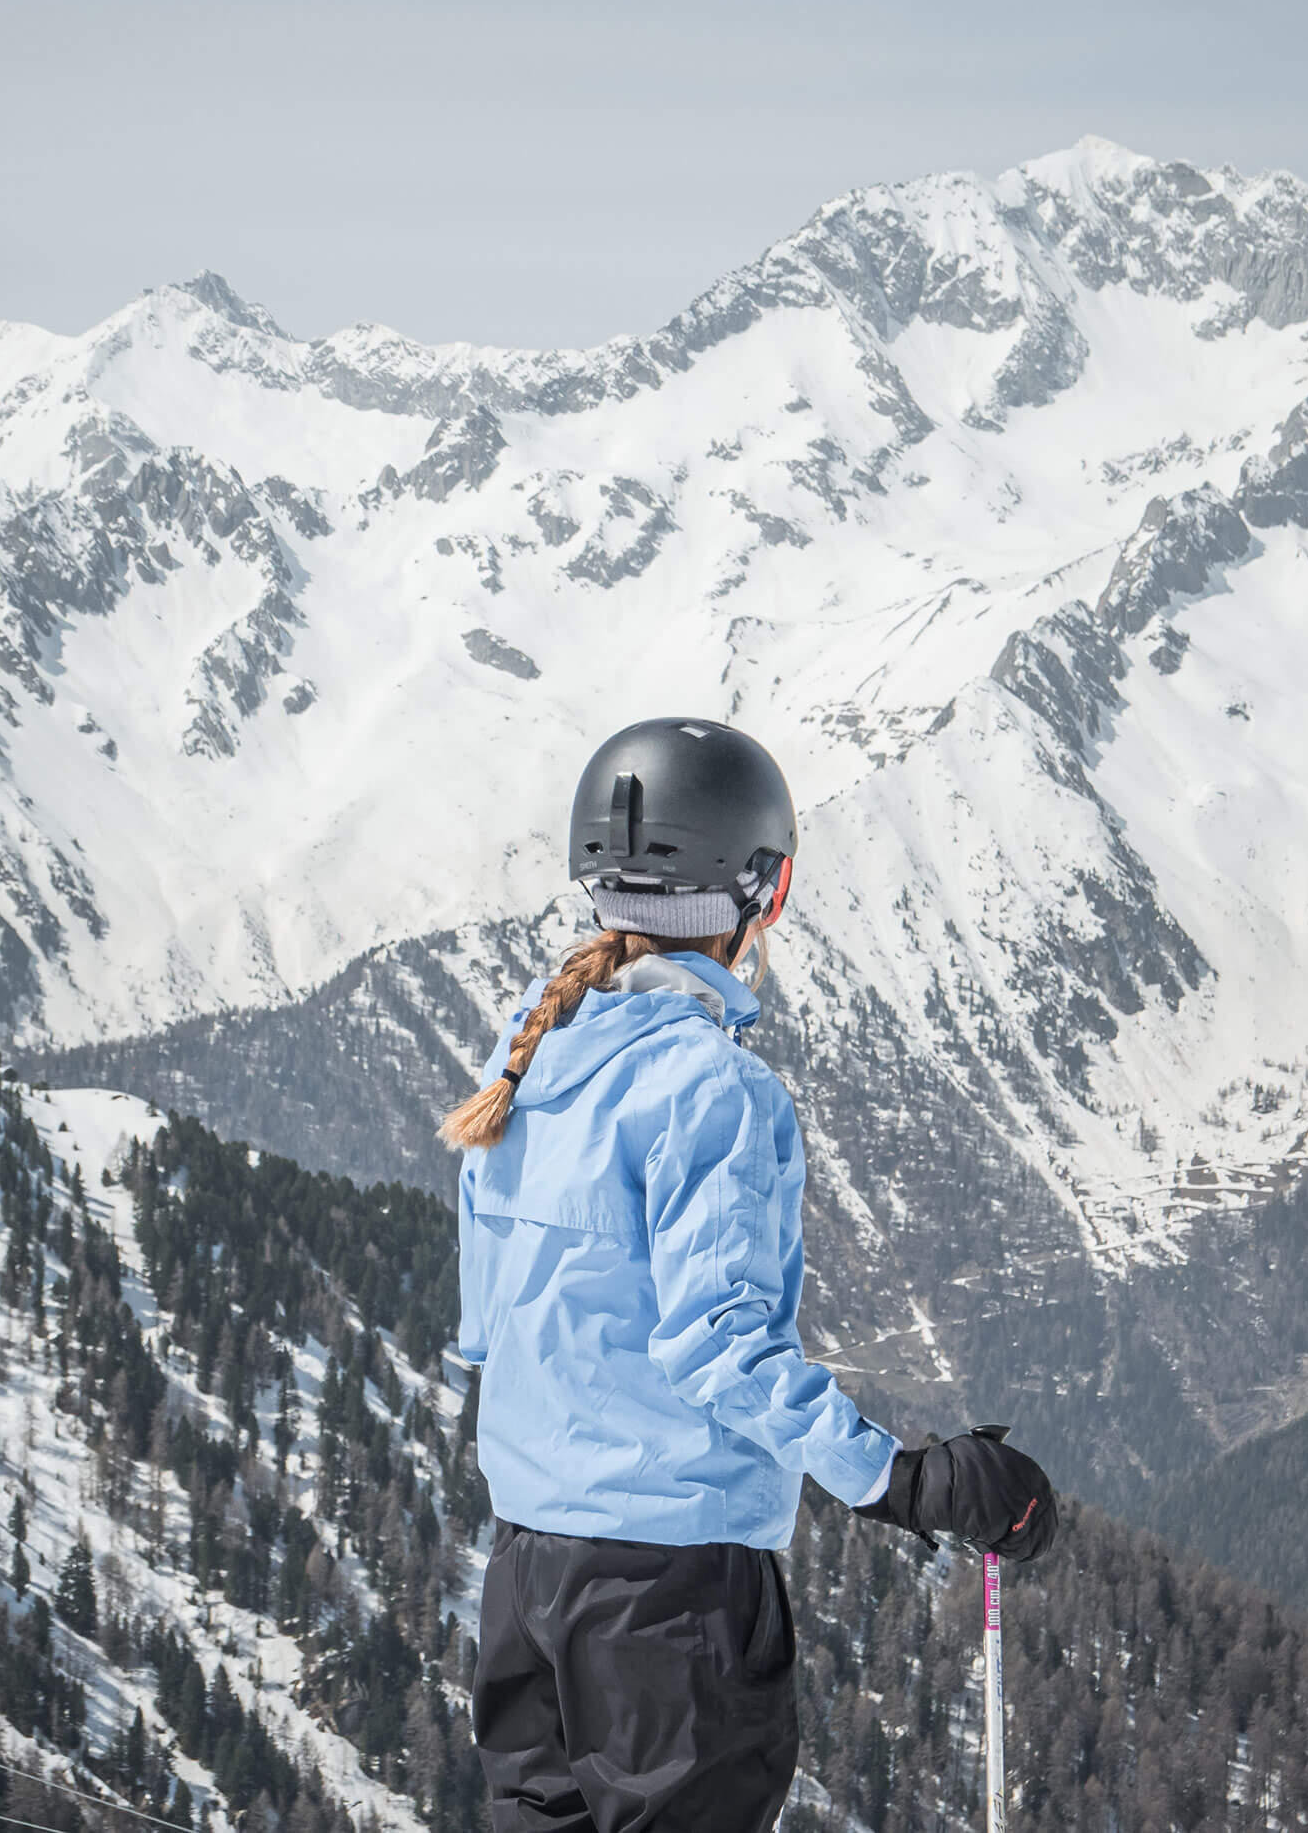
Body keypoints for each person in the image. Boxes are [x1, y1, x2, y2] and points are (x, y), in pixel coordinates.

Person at [442, 716, 1058, 1831]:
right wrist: (902, 1483)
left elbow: (486, 1321)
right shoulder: (706, 1085)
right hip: (666, 1610)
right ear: (762, 894)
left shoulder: (527, 1056)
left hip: (525, 1584)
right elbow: (719, 1345)